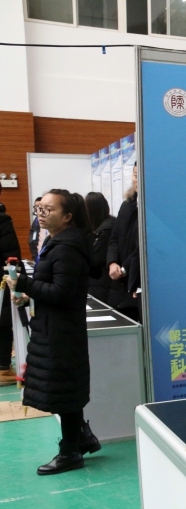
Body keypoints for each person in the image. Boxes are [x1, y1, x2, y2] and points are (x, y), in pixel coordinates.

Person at [13, 189, 101, 475]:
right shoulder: (57, 241)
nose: (41, 214)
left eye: (48, 210)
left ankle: (71, 451)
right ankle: (81, 437)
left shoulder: (67, 248)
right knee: (64, 388)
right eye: (39, 208)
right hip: (54, 327)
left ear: (67, 217)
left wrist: (25, 285)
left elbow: (62, 292)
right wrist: (29, 294)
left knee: (64, 391)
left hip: (61, 332)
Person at [108, 167, 141, 322]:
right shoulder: (127, 205)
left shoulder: (152, 208)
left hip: (136, 280)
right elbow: (114, 237)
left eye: (140, 175)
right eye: (135, 175)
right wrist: (112, 262)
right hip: (119, 283)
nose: (137, 179)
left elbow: (143, 247)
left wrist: (124, 268)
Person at [85, 192, 123, 307]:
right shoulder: (105, 225)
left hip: (103, 283)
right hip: (102, 282)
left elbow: (96, 258)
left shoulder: (105, 230)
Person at [0, 191, 20, 385]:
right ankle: (3, 368)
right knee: (4, 322)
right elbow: (11, 256)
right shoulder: (3, 220)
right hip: (1, 280)